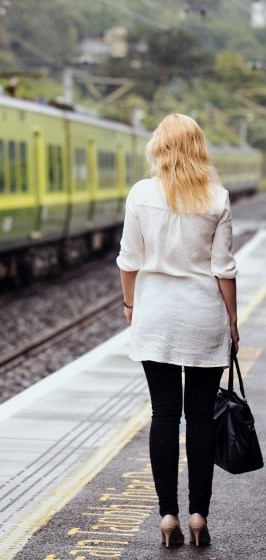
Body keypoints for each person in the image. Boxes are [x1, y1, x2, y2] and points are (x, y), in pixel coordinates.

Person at [116, 113, 239, 548]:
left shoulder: (140, 194)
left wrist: (131, 305)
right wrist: (233, 322)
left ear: (158, 149)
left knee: (165, 414)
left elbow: (128, 260)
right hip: (203, 316)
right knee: (201, 416)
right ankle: (198, 515)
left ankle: (167, 515)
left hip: (156, 318)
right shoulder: (217, 197)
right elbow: (224, 269)